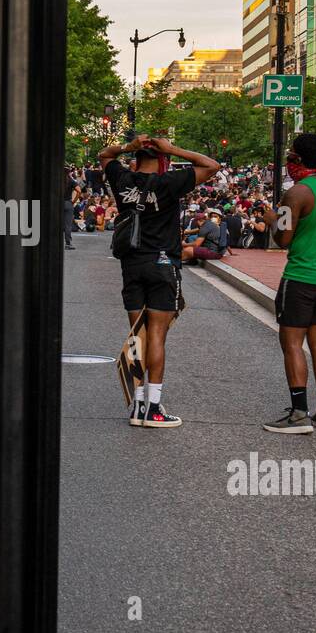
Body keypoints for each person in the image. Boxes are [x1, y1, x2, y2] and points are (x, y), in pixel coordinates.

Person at [101, 134, 219, 428]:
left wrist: (127, 147)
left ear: (137, 158)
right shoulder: (170, 182)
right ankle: (153, 407)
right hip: (163, 263)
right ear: (163, 159)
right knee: (156, 335)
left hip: (132, 263)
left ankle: (138, 404)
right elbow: (211, 165)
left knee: (136, 335)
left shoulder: (122, 179)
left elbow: (105, 155)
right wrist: (173, 148)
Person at [261, 133, 316, 434]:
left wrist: (272, 218)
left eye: (291, 156)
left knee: (292, 343)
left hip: (301, 276)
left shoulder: (295, 194)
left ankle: (298, 412)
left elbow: (283, 240)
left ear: (295, 158)